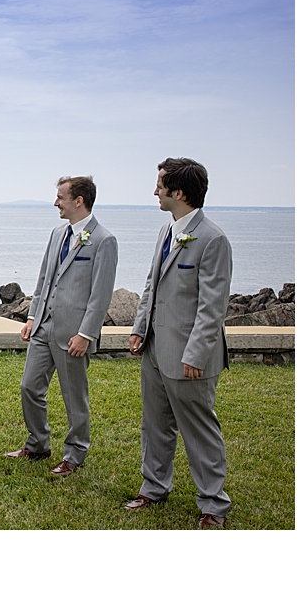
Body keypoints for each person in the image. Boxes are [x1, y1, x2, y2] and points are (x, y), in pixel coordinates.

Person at [125, 158, 232, 529]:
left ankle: (214, 505)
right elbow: (151, 285)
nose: (155, 191)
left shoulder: (214, 239)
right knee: (154, 424)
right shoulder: (166, 231)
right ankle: (153, 487)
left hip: (190, 356)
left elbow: (212, 305)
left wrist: (196, 355)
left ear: (179, 192)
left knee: (199, 430)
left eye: (160, 185)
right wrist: (140, 328)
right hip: (155, 348)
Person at [5, 176, 117, 476]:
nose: (56, 203)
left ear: (78, 200)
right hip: (44, 326)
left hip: (74, 332)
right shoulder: (57, 234)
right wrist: (32, 317)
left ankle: (75, 453)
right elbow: (44, 279)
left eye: (60, 197)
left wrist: (86, 334)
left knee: (73, 395)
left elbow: (101, 293)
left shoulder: (104, 240)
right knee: (29, 386)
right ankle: (38, 443)